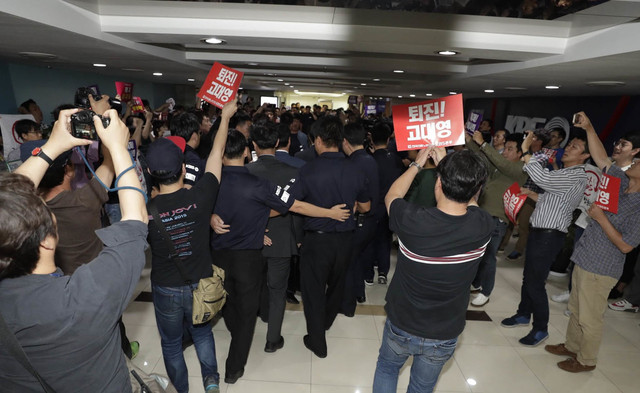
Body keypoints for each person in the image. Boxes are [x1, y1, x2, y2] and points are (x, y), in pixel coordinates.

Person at [0, 107, 148, 391]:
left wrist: (52, 147)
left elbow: (7, 199)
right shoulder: (87, 295)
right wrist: (119, 147)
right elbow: (136, 221)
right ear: (47, 240)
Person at [211, 127, 350, 383]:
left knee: (228, 301)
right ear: (245, 150)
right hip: (248, 257)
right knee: (248, 310)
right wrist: (330, 213)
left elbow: (197, 206)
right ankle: (235, 368)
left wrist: (210, 217)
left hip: (218, 256)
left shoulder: (211, 181)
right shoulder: (258, 184)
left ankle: (234, 336)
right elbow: (295, 206)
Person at [372, 147, 493, 393]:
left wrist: (417, 164)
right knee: (422, 386)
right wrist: (450, 169)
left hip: (403, 321)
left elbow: (392, 195)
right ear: (477, 189)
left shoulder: (411, 220)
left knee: (387, 368)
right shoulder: (483, 224)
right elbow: (472, 201)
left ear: (438, 184)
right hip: (445, 329)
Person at [146, 100, 238, 393]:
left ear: (150, 172)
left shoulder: (144, 210)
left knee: (172, 344)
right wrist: (224, 118)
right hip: (201, 281)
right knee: (202, 333)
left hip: (165, 288)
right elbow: (216, 154)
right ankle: (211, 384)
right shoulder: (202, 196)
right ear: (183, 168)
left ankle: (182, 390)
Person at [545, 111, 640, 372]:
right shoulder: (620, 182)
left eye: (636, 162)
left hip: (603, 267)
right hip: (587, 257)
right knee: (576, 309)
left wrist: (600, 217)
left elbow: (626, 246)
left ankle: (586, 360)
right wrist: (588, 127)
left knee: (590, 317)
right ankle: (572, 346)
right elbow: (601, 158)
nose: (630, 164)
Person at [289, 116, 371, 358]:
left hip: (316, 240)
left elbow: (294, 204)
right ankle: (324, 324)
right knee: (336, 287)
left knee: (312, 291)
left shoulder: (308, 170)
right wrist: (353, 206)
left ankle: (317, 341)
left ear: (318, 140)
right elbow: (366, 206)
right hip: (345, 239)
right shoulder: (356, 169)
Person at [501, 131, 590, 347]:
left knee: (535, 283)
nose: (568, 148)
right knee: (528, 278)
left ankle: (541, 328)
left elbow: (543, 179)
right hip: (541, 231)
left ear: (585, 156)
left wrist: (526, 152)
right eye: (569, 144)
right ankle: (523, 314)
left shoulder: (576, 174)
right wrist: (533, 195)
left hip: (550, 235)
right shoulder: (566, 172)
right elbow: (553, 199)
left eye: (575, 147)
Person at [466, 131, 528, 306]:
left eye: (510, 149)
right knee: (479, 254)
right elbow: (483, 157)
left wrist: (484, 144)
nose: (505, 152)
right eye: (505, 148)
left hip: (497, 220)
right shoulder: (500, 165)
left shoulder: (520, 169)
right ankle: (477, 283)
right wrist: (469, 140)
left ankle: (486, 291)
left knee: (488, 257)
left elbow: (501, 163)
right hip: (483, 214)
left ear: (519, 154)